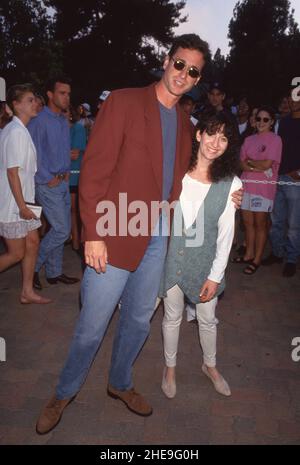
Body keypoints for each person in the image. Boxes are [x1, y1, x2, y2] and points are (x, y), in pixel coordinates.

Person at [35, 34, 242, 435]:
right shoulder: (125, 101)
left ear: (197, 78)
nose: (184, 74)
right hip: (114, 228)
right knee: (93, 324)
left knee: (137, 320)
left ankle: (120, 382)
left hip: (158, 233)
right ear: (167, 61)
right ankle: (63, 392)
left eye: (193, 71)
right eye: (180, 64)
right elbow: (94, 170)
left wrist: (230, 187)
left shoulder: (185, 120)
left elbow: (196, 166)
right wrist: (93, 232)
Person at [160, 110, 242, 398]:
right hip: (171, 260)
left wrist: (215, 277)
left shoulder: (232, 185)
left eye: (224, 138)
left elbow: (225, 237)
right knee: (172, 316)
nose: (215, 143)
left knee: (207, 319)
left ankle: (210, 365)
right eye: (211, 134)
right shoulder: (175, 171)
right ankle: (170, 368)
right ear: (198, 134)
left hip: (206, 264)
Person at [0, 84, 51, 305]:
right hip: (15, 204)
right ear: (16, 104)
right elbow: (12, 174)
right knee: (16, 253)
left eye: (35, 100)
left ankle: (27, 292)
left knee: (33, 243)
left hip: (25, 201)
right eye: (30, 100)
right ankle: (27, 291)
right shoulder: (15, 133)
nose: (35, 103)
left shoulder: (21, 130)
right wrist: (22, 207)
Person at [28, 76, 80, 290]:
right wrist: (47, 177)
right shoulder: (39, 121)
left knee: (58, 229)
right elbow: (33, 155)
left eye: (68, 93)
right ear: (50, 95)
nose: (67, 97)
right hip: (47, 183)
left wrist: (67, 168)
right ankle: (32, 268)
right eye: (62, 93)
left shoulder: (62, 120)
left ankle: (54, 272)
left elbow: (58, 150)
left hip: (62, 181)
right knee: (61, 230)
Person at [233, 106, 282, 274]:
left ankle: (257, 259)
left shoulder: (275, 140)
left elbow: (267, 164)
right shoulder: (249, 139)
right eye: (259, 119)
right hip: (246, 185)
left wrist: (250, 162)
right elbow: (241, 163)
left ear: (272, 122)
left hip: (264, 189)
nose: (261, 122)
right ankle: (248, 255)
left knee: (260, 224)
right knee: (247, 224)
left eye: (265, 119)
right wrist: (256, 165)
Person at [263, 88, 300, 277]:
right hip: (278, 178)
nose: (293, 102)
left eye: (296, 98)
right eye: (290, 98)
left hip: (295, 181)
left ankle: (291, 259)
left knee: (293, 225)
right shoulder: (281, 123)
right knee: (276, 221)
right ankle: (278, 253)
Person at [64, 106, 87, 252]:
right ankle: (75, 242)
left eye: (65, 111)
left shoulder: (77, 129)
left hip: (76, 175)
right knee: (71, 210)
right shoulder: (61, 130)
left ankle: (78, 243)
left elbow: (74, 154)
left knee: (76, 210)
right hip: (65, 175)